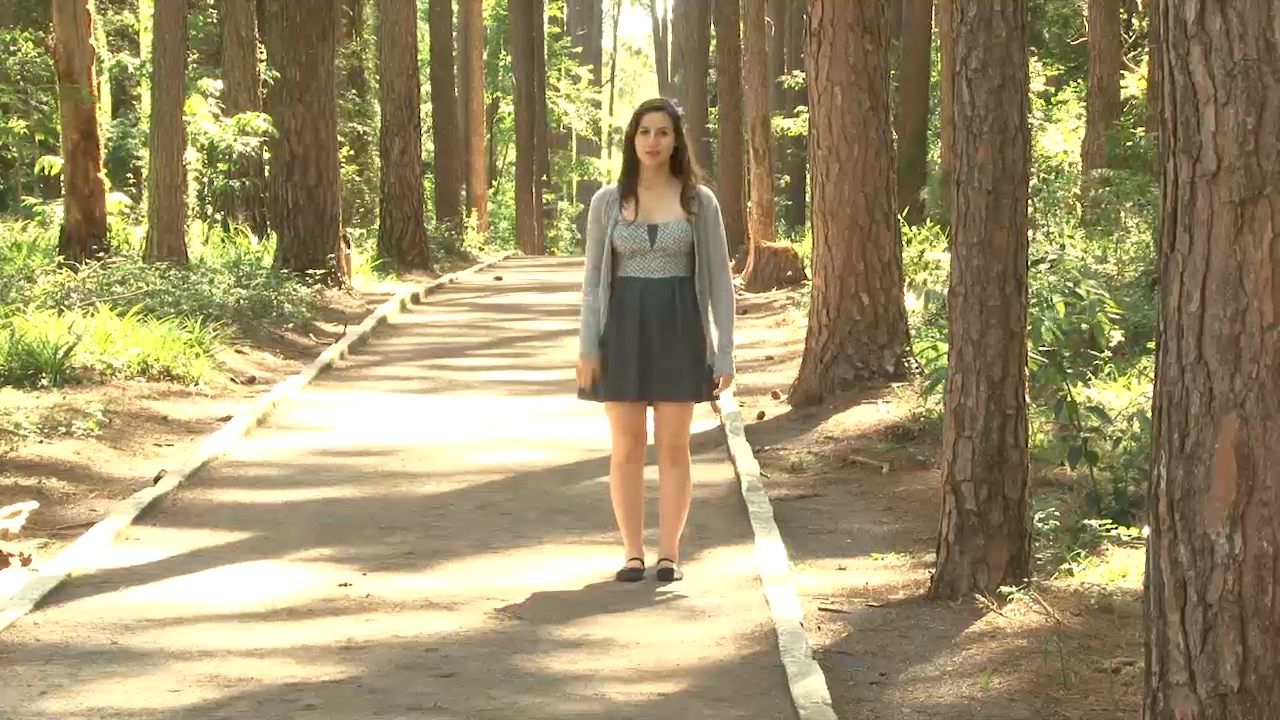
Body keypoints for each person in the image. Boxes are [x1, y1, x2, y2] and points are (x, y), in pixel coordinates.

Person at [575, 97, 736, 583]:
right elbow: (592, 283)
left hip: (679, 330)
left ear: (675, 141)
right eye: (645, 132)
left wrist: (724, 352)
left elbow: (720, 283)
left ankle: (669, 554)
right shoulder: (607, 202)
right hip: (622, 332)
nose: (653, 141)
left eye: (662, 132)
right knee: (626, 447)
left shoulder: (699, 202)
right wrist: (587, 347)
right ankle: (632, 554)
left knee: (673, 446)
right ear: (633, 139)